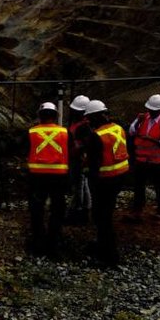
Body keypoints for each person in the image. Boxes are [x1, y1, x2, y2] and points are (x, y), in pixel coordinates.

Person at [80, 99, 129, 267]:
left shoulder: (97, 136)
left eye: (89, 118)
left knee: (102, 217)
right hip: (119, 176)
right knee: (106, 214)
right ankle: (103, 245)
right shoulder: (118, 128)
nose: (88, 121)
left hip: (104, 181)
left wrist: (89, 176)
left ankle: (108, 256)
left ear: (96, 117)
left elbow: (94, 164)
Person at [26, 102, 69, 256]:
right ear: (56, 116)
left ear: (40, 115)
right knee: (57, 209)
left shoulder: (31, 132)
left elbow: (26, 150)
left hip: (37, 176)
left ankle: (38, 242)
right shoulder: (64, 132)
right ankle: (54, 242)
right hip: (59, 176)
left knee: (37, 209)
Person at [127, 94, 160, 221]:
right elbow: (132, 131)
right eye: (149, 109)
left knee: (159, 185)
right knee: (139, 185)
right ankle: (137, 210)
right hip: (142, 159)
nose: (150, 111)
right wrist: (138, 120)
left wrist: (153, 141)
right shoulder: (144, 118)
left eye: (153, 110)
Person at [65, 95, 92, 224]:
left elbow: (85, 145)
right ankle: (86, 208)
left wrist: (81, 155)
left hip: (79, 159)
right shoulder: (79, 124)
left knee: (79, 185)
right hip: (76, 157)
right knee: (83, 184)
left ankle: (78, 210)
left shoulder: (84, 126)